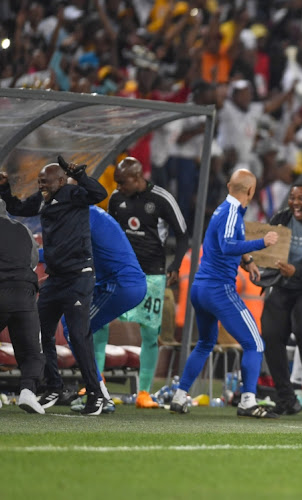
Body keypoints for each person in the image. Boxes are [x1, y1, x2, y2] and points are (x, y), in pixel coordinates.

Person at [0, 158, 108, 415]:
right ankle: (54, 386)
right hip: (56, 279)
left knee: (78, 336)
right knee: (38, 332)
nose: (41, 186)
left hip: (79, 277)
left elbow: (99, 194)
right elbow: (18, 208)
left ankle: (95, 394)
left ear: (60, 181)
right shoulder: (44, 198)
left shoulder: (74, 193)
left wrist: (79, 174)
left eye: (45, 182)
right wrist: (4, 189)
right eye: (39, 182)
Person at [170, 169, 280, 418]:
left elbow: (225, 242)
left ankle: (179, 395)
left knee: (206, 343)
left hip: (201, 288)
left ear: (230, 185)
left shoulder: (224, 209)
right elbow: (227, 244)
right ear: (251, 192)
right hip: (218, 289)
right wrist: (262, 242)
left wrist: (248, 261)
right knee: (255, 343)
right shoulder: (231, 212)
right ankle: (248, 401)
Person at [109, 157, 189, 409]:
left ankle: (144, 392)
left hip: (152, 273)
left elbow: (183, 234)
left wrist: (174, 266)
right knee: (98, 324)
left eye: (123, 182)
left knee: (150, 332)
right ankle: (95, 384)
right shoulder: (115, 198)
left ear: (137, 177)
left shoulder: (162, 199)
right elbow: (110, 231)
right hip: (121, 271)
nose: (119, 187)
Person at [56, 200, 147, 410]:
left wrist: (29, 255)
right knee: (72, 325)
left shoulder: (85, 216)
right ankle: (96, 390)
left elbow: (71, 256)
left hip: (120, 284)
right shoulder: (91, 213)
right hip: (118, 282)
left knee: (75, 327)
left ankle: (98, 393)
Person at [261, 181, 302, 415]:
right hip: (283, 285)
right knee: (270, 332)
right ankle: (286, 398)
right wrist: (254, 259)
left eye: (301, 199)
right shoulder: (281, 218)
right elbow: (267, 251)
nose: (295, 203)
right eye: (292, 198)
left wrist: (297, 271)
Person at [0, 198, 44, 414]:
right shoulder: (23, 229)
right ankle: (28, 391)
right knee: (31, 349)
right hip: (25, 292)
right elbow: (33, 261)